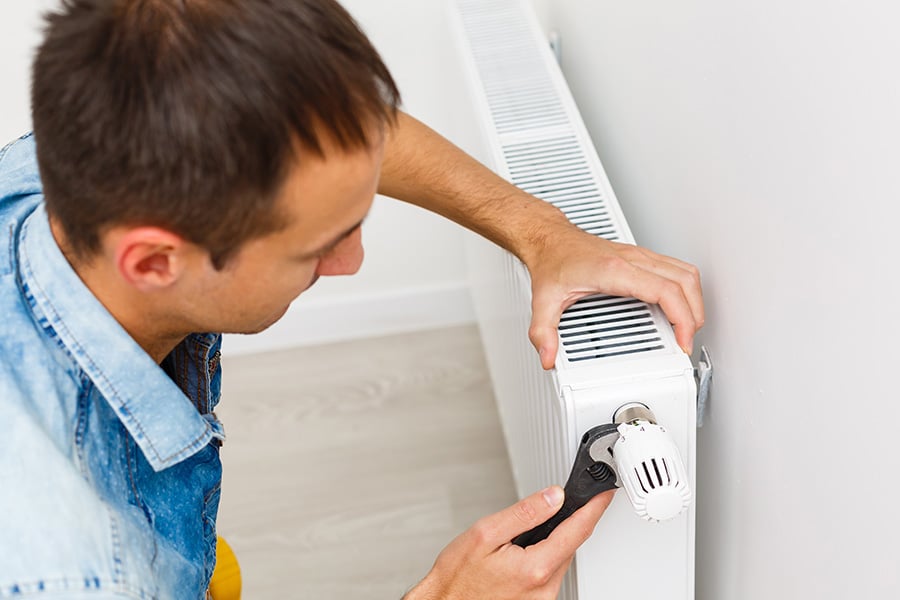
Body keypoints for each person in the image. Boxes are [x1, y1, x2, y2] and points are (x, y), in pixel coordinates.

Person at [0, 0, 704, 598]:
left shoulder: (89, 160)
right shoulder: (75, 563)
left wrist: (540, 229)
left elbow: (354, 133)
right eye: (318, 246)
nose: (352, 262)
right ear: (155, 260)